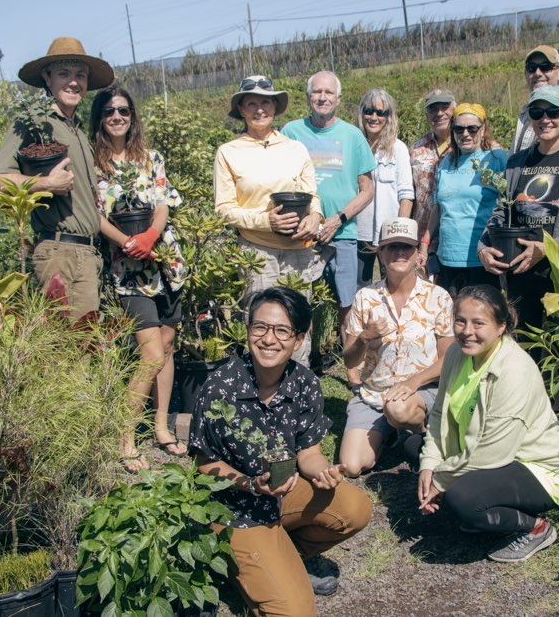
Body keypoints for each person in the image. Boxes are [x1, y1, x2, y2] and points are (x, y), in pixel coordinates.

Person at [189, 287, 373, 616]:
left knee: (355, 508)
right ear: (248, 331)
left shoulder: (304, 383)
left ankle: (280, 558)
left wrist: (322, 470)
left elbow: (309, 453)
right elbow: (205, 464)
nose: (268, 339)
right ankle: (240, 563)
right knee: (296, 613)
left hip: (282, 491)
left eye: (282, 330)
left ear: (298, 340)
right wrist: (249, 484)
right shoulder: (220, 388)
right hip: (233, 508)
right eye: (260, 327)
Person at [417, 284, 559, 562]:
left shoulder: (514, 369)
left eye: (479, 323)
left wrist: (441, 481)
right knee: (416, 449)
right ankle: (481, 507)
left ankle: (536, 528)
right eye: (460, 321)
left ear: (501, 326)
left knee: (463, 499)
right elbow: (440, 414)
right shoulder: (456, 354)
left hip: (538, 465)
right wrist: (429, 464)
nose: (467, 331)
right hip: (487, 451)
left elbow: (494, 450)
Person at [90, 84, 188, 472]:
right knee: (148, 353)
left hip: (164, 261)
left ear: (133, 117)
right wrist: (129, 242)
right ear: (99, 117)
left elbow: (162, 202)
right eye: (110, 111)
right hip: (128, 270)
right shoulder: (93, 164)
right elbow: (95, 215)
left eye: (124, 111)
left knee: (166, 345)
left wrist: (149, 236)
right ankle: (125, 437)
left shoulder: (150, 158)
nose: (117, 117)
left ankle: (161, 427)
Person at [0, 37, 114, 320]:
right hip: (61, 251)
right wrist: (45, 184)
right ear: (47, 78)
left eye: (80, 75)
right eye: (64, 74)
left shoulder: (78, 130)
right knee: (72, 349)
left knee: (85, 349)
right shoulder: (34, 122)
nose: (73, 82)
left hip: (88, 254)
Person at [213, 75, 324, 364]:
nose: (259, 109)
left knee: (297, 324)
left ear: (275, 107)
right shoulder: (228, 152)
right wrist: (266, 221)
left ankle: (299, 390)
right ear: (241, 109)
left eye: (266, 102)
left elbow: (312, 194)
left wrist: (315, 216)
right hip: (256, 252)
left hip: (298, 252)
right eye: (251, 103)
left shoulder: (294, 148)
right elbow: (223, 208)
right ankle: (262, 396)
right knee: (261, 326)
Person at [478, 85, 559, 331]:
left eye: (553, 112)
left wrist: (548, 248)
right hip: (520, 273)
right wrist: (483, 246)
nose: (545, 119)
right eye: (537, 113)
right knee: (525, 349)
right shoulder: (517, 162)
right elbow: (501, 212)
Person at [340, 218, 454, 478]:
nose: (399, 252)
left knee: (399, 408)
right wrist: (363, 338)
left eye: (407, 246)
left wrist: (414, 382)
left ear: (417, 253)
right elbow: (348, 360)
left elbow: (448, 357)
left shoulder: (438, 297)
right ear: (381, 252)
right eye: (392, 246)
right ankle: (389, 432)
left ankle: (424, 435)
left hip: (423, 390)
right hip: (374, 393)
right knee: (351, 466)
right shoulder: (365, 297)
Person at [282, 71, 375, 343]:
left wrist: (337, 219)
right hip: (301, 232)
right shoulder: (291, 132)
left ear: (338, 98)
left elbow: (367, 190)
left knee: (346, 304)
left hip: (342, 233)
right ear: (308, 96)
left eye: (328, 93)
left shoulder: (353, 136)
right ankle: (303, 365)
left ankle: (353, 374)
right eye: (317, 92)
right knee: (300, 301)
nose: (323, 97)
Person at [419, 103, 507, 296]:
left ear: (483, 129)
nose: (465, 134)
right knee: (451, 318)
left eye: (472, 128)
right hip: (448, 259)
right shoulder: (446, 163)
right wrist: (425, 244)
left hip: (482, 259)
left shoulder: (497, 159)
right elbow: (439, 207)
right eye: (459, 129)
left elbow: (507, 205)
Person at [354, 88, 414, 289]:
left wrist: (399, 235)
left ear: (389, 117)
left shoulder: (398, 149)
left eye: (381, 112)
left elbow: (406, 195)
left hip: (388, 232)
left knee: (393, 285)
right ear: (361, 113)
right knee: (359, 287)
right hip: (358, 232)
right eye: (369, 111)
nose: (374, 117)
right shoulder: (353, 146)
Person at [511, 45, 559, 154]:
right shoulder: (525, 113)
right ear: (525, 74)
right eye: (531, 68)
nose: (538, 73)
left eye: (545, 67)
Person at [409, 88, 455, 274]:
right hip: (422, 238)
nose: (439, 113)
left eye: (445, 107)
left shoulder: (468, 145)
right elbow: (408, 194)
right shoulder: (416, 148)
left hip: (454, 236)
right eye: (433, 109)